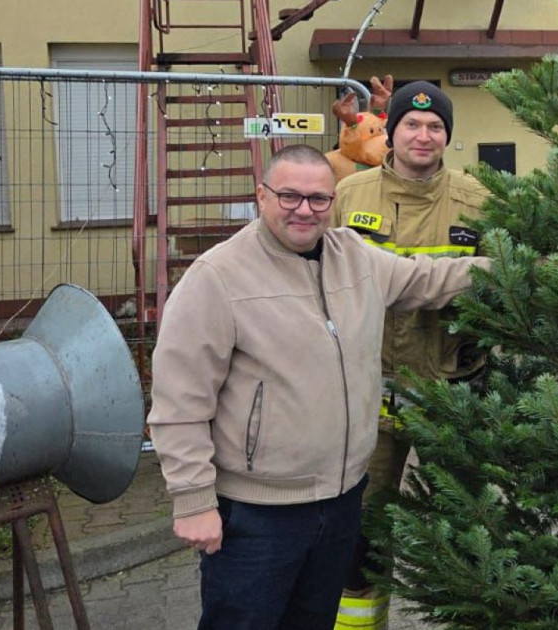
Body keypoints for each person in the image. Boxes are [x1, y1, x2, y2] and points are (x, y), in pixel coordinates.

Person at [147, 144, 488, 630]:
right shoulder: (217, 277)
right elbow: (179, 403)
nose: (304, 209)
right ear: (261, 197)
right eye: (289, 196)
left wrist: (520, 271)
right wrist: (193, 501)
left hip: (343, 499)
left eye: (318, 199)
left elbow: (430, 278)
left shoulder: (356, 257)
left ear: (333, 201)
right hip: (259, 514)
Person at [328, 80, 489, 630]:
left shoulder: (478, 200)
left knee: (463, 525)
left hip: (450, 388)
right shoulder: (350, 193)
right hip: (368, 391)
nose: (424, 135)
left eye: (436, 126)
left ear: (448, 136)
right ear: (390, 131)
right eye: (412, 124)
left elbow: (510, 291)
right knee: (361, 529)